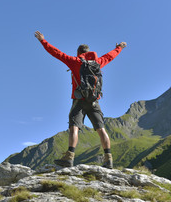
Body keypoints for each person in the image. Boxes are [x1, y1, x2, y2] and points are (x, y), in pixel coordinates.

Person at [34, 31, 127, 169]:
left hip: (79, 100)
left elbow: (56, 53)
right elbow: (110, 56)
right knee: (101, 129)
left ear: (79, 53)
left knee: (74, 127)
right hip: (95, 101)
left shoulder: (75, 62)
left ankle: (69, 157)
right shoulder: (98, 62)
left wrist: (43, 41)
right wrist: (119, 47)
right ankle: (108, 160)